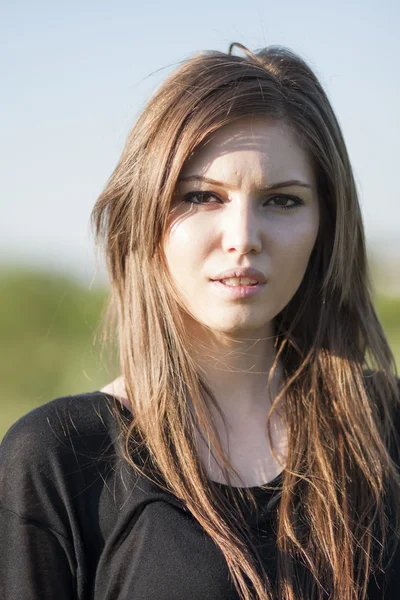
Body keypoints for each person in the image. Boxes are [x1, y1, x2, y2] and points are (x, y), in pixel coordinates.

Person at [1, 42, 399, 600]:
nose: (243, 239)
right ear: (143, 216)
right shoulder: (56, 458)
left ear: (325, 226)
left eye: (282, 201)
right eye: (202, 196)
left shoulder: (386, 430)